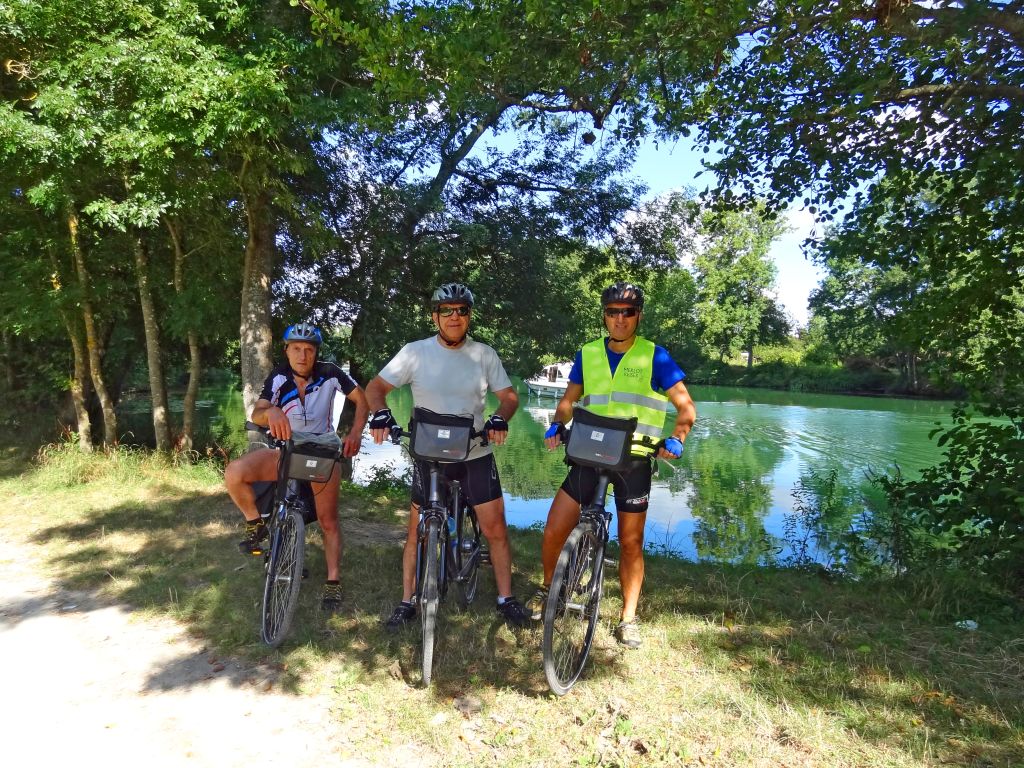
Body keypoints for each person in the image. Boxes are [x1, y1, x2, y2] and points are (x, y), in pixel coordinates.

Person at [527, 282, 696, 649]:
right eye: (612, 311)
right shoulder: (587, 353)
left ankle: (628, 618)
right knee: (555, 527)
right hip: (589, 455)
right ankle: (547, 588)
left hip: (633, 461)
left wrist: (677, 438)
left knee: (631, 542)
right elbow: (569, 400)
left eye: (628, 312)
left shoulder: (656, 357)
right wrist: (558, 422)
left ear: (639, 316)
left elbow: (686, 408)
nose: (620, 319)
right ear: (604, 314)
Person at [366, 282, 532, 630]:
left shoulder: (483, 354)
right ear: (435, 316)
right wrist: (380, 413)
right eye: (447, 310)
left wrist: (500, 416)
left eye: (462, 310)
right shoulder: (415, 352)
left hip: (474, 452)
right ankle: (407, 601)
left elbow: (509, 397)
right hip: (428, 454)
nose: (455, 316)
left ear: (469, 316)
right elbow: (376, 388)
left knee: (495, 528)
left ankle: (506, 599)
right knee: (416, 532)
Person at [224, 322, 369, 612]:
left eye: (309, 350)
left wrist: (355, 433)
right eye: (296, 349)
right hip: (286, 451)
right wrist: (273, 411)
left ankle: (333, 581)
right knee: (234, 473)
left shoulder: (330, 373)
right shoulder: (279, 376)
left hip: (322, 453)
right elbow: (258, 412)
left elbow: (361, 399)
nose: (303, 355)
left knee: (329, 522)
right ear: (287, 350)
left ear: (316, 353)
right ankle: (256, 524)